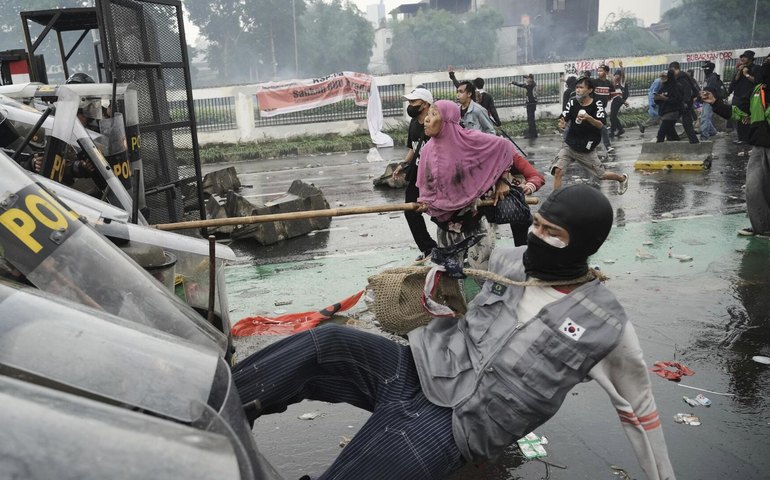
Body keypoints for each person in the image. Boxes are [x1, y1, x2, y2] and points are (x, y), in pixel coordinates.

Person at [231, 184, 676, 480]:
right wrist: (432, 284)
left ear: (584, 244)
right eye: (536, 225)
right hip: (419, 369)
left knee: (371, 458)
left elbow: (641, 410)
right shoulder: (508, 262)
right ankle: (217, 406)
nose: (536, 237)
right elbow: (461, 295)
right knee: (326, 342)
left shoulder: (605, 326)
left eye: (551, 232)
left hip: (460, 422)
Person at [417, 100, 543, 260]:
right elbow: (428, 185)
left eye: (433, 114)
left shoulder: (475, 144)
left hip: (475, 219)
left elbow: (505, 148)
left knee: (483, 271)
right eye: (428, 114)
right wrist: (426, 201)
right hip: (446, 223)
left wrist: (503, 180)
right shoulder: (428, 150)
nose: (427, 119)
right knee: (449, 273)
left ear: (448, 121)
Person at [702, 54, 770, 236]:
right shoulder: (758, 91)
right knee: (754, 189)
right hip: (760, 147)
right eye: (766, 62)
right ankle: (762, 228)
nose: (766, 66)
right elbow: (739, 113)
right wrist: (716, 103)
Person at [552, 77, 629, 193]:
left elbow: (601, 125)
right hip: (570, 144)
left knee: (602, 175)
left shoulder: (597, 104)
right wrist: (562, 123)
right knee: (558, 171)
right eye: (577, 87)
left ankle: (622, 179)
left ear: (590, 90)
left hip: (586, 147)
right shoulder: (572, 101)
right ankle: (555, 201)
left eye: (581, 87)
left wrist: (589, 118)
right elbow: (564, 118)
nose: (578, 90)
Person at [393, 87, 438, 260]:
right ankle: (428, 248)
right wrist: (403, 164)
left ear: (425, 104)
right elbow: (413, 148)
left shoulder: (435, 124)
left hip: (434, 177)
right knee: (410, 210)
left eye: (413, 102)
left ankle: (452, 246)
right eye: (409, 102)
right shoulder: (413, 123)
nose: (410, 105)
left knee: (440, 213)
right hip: (417, 174)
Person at [729, 50, 761, 149]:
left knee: (748, 118)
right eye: (741, 57)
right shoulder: (740, 68)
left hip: (750, 97)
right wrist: (739, 71)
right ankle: (741, 138)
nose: (742, 59)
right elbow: (734, 82)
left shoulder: (756, 68)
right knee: (739, 119)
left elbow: (757, 81)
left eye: (745, 57)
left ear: (750, 59)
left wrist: (746, 74)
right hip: (739, 97)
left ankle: (748, 139)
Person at [654, 69, 685, 143]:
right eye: (662, 77)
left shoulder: (677, 87)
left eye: (664, 77)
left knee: (661, 133)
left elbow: (677, 101)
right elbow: (659, 100)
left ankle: (658, 149)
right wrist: (657, 98)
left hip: (672, 112)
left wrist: (665, 98)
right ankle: (678, 146)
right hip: (664, 112)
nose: (662, 79)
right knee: (670, 132)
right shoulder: (663, 86)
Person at [593, 65, 615, 153]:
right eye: (598, 71)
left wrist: (612, 79)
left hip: (602, 108)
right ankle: (607, 146)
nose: (599, 72)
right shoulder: (595, 82)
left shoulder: (608, 83)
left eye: (601, 71)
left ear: (605, 72)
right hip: (594, 108)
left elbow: (612, 92)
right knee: (603, 127)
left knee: (601, 127)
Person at [700, 61, 723, 141]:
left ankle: (704, 136)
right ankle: (713, 132)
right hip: (707, 100)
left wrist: (703, 95)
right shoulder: (709, 77)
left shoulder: (712, 77)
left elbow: (709, 89)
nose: (704, 70)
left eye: (706, 68)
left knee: (705, 117)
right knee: (706, 117)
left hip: (710, 100)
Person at [510, 74, 538, 138]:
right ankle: (533, 133)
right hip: (532, 104)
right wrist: (526, 76)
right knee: (531, 119)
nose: (527, 80)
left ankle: (532, 134)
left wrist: (512, 82)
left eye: (528, 79)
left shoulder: (530, 85)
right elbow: (528, 80)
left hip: (531, 104)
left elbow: (521, 85)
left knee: (530, 120)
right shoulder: (533, 84)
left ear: (531, 79)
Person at [609, 61, 629, 138]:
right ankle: (619, 129)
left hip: (619, 100)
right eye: (616, 75)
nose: (616, 76)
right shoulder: (615, 82)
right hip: (616, 99)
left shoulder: (622, 81)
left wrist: (621, 67)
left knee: (612, 116)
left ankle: (613, 131)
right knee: (613, 116)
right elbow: (610, 76)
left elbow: (623, 75)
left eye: (618, 75)